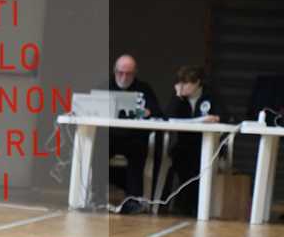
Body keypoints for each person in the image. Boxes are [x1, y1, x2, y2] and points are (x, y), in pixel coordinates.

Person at [93, 54, 163, 214]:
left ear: (135, 73)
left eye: (129, 74)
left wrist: (148, 112)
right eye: (120, 73)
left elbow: (158, 112)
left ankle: (133, 200)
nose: (124, 77)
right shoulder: (105, 87)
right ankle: (96, 197)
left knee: (138, 152)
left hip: (134, 138)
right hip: (110, 137)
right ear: (114, 71)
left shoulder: (144, 88)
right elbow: (92, 107)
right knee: (98, 149)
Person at [164, 65, 223, 216]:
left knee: (197, 164)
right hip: (184, 144)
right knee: (181, 161)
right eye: (180, 83)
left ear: (197, 82)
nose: (182, 86)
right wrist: (177, 96)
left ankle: (196, 205)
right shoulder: (179, 97)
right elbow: (168, 116)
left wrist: (215, 118)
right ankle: (183, 205)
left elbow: (224, 115)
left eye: (186, 83)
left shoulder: (211, 95)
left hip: (206, 144)